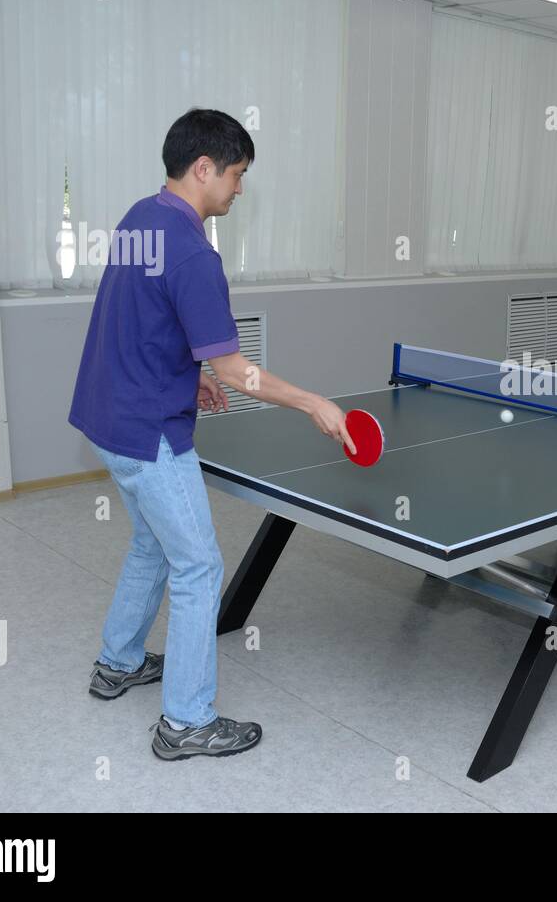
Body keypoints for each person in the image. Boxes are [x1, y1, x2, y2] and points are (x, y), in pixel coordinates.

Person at [69, 108, 354, 759]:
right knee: (198, 566)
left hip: (106, 416)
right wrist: (311, 402)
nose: (239, 190)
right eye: (236, 174)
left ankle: (117, 662)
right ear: (204, 168)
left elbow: (138, 317)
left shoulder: (140, 217)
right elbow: (237, 369)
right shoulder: (195, 251)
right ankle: (187, 722)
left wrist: (184, 369)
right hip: (150, 432)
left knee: (152, 543)